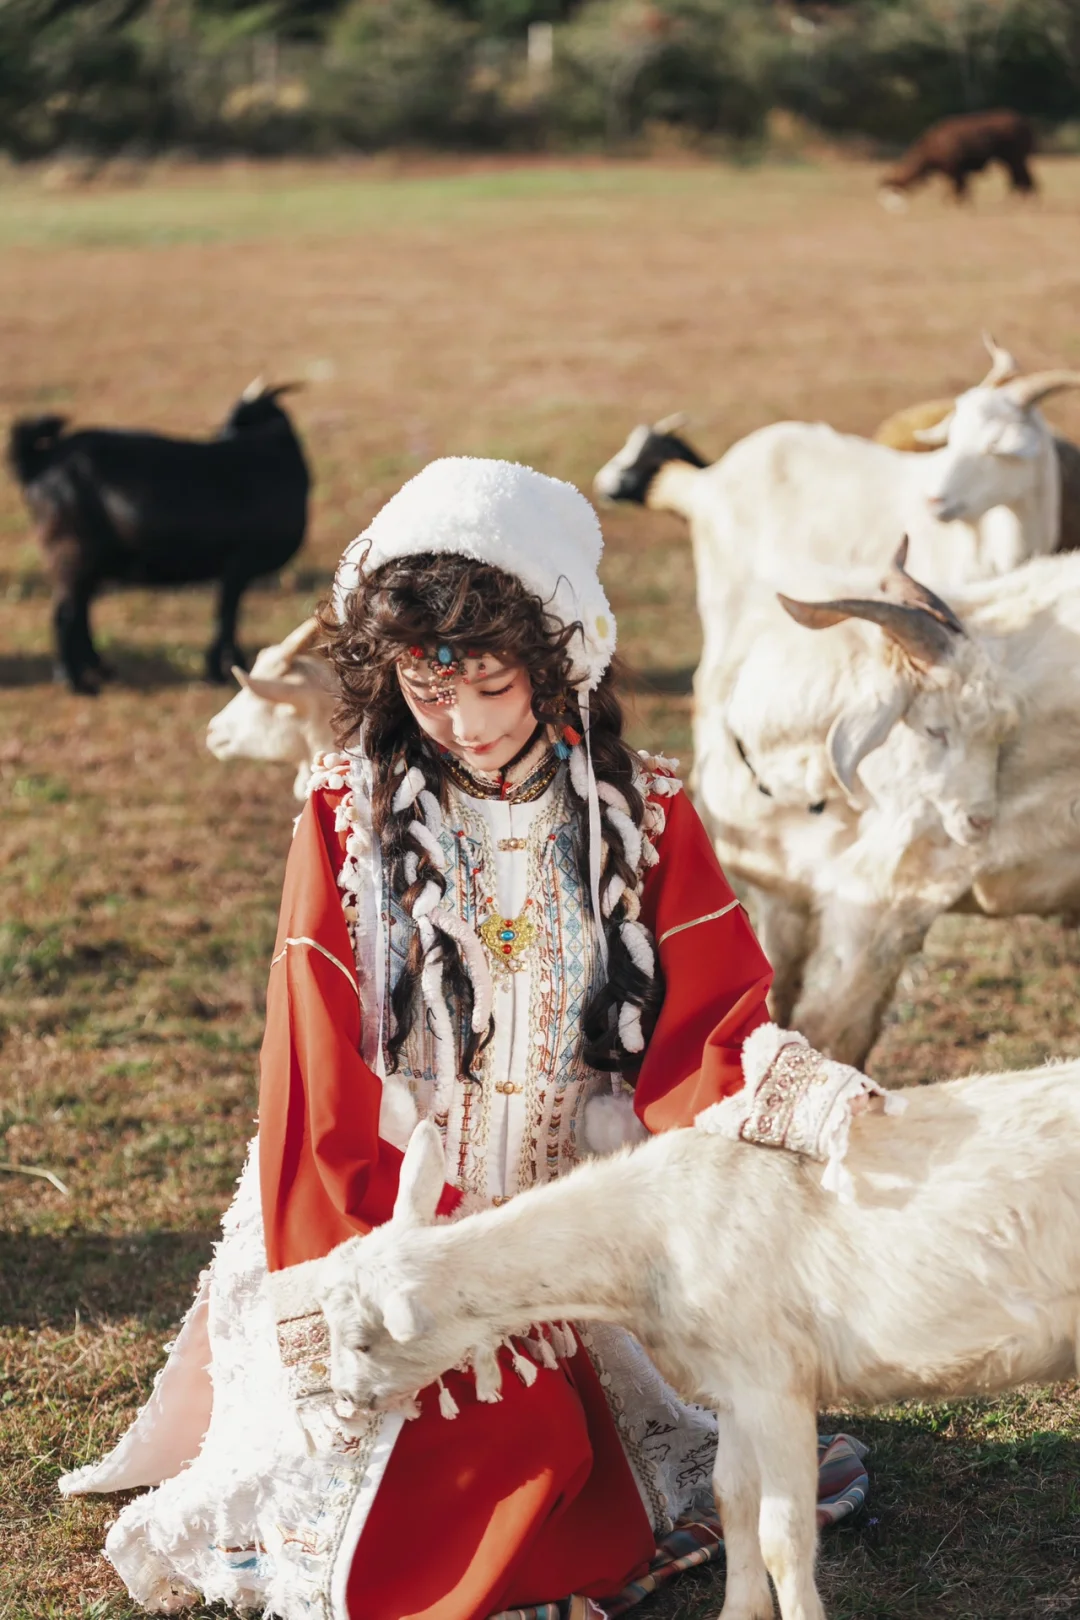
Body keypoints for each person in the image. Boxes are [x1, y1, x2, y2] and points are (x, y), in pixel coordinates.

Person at [61, 458, 865, 1619]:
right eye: (429, 696)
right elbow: (315, 1065)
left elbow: (707, 1028)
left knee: (560, 1437)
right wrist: (352, 1268)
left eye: (492, 687)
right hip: (380, 1218)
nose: (467, 723)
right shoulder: (347, 813)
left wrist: (791, 1094)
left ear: (559, 660)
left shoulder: (642, 814)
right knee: (448, 1437)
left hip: (561, 1220)